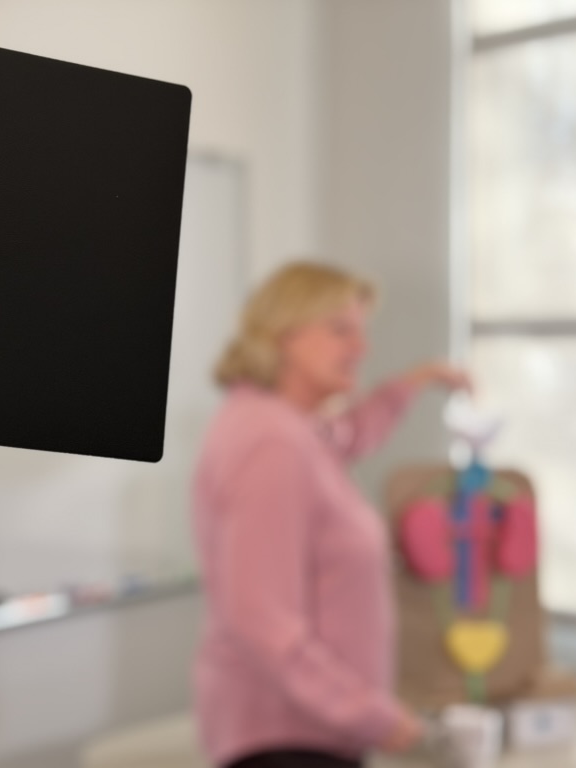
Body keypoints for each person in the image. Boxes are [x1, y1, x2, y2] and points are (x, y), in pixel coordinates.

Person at [192, 261, 470, 768]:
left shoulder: (294, 430)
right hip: (286, 741)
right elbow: (261, 622)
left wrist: (418, 380)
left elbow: (351, 433)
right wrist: (376, 716)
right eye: (341, 329)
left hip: (311, 733)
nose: (361, 347)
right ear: (282, 334)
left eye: (362, 331)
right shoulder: (270, 441)